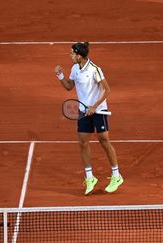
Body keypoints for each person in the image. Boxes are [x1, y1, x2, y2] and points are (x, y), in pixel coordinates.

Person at [55, 42, 123, 195]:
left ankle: (116, 175)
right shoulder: (74, 69)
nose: (70, 56)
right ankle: (90, 177)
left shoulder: (94, 70)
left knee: (103, 140)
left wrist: (94, 106)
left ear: (79, 55)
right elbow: (68, 86)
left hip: (99, 110)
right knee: (83, 142)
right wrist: (60, 76)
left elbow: (107, 90)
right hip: (83, 111)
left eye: (72, 53)